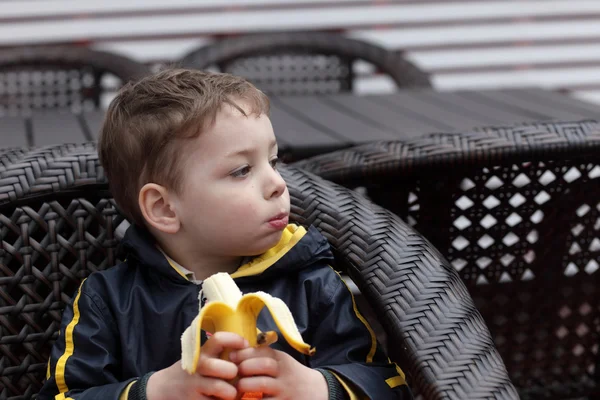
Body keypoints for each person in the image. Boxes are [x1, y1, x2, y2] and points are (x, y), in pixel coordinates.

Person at [39, 69, 412, 400]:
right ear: (165, 208)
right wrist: (153, 391)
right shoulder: (108, 301)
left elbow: (389, 385)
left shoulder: (312, 283)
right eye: (241, 171)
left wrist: (319, 388)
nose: (278, 184)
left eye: (274, 161)